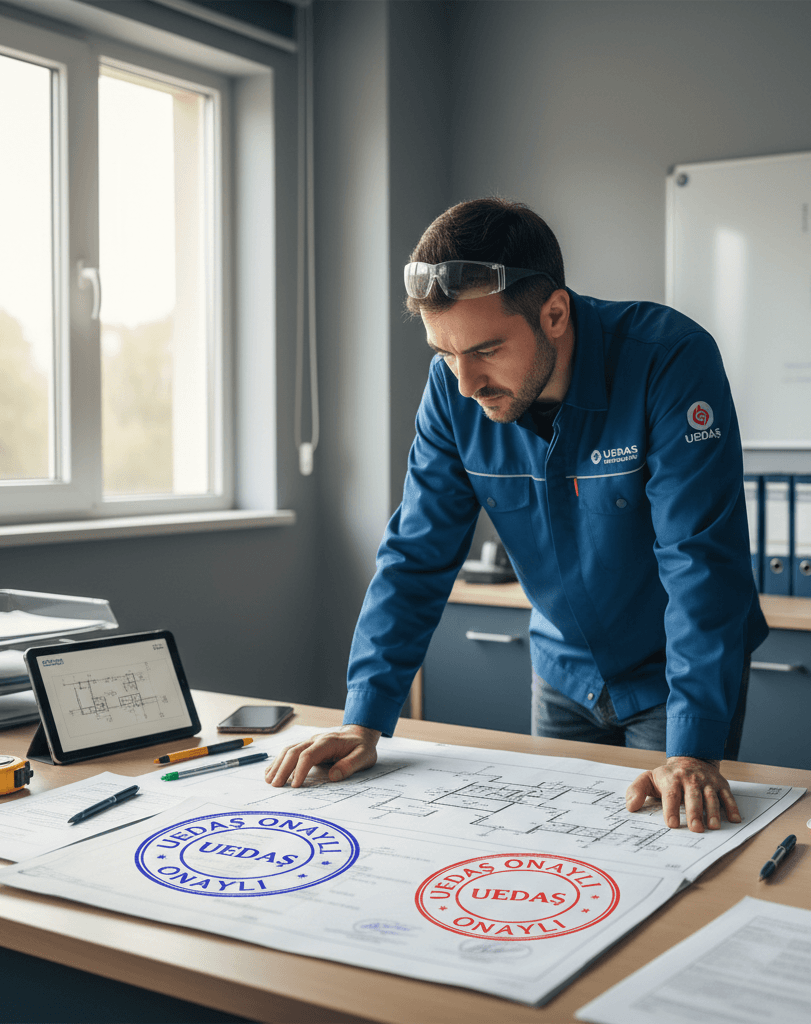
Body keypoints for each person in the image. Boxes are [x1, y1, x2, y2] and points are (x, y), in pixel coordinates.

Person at [266, 198, 768, 833]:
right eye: (444, 352)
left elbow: (699, 561)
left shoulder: (669, 361)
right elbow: (416, 555)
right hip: (563, 670)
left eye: (485, 349)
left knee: (675, 852)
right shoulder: (453, 390)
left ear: (554, 313)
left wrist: (693, 749)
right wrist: (363, 717)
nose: (466, 381)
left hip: (676, 678)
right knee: (560, 854)